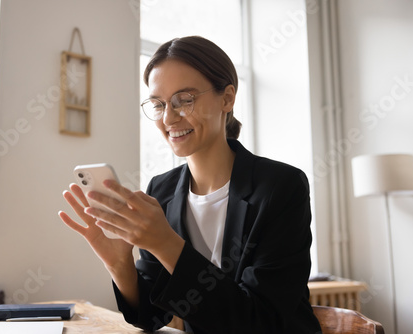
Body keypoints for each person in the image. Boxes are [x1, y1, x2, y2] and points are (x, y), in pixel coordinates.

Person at [59, 36, 322, 334]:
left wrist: (165, 243)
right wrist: (120, 265)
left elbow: (259, 321)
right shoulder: (162, 191)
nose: (169, 117)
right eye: (158, 104)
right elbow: (150, 316)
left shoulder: (281, 187)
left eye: (185, 99)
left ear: (227, 98)